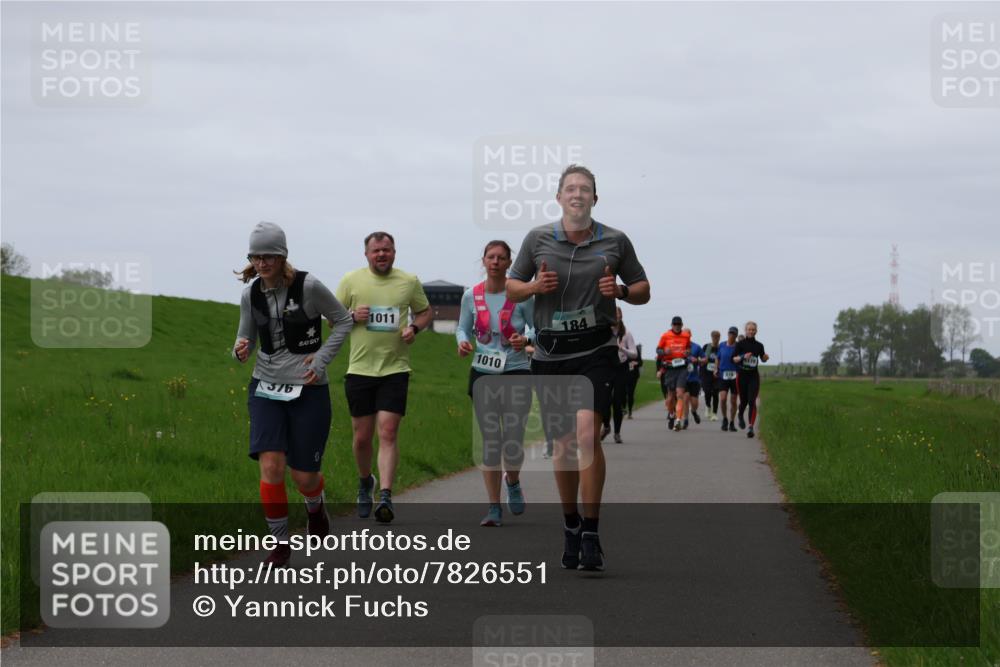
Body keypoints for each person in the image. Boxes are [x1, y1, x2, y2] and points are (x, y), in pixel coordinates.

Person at [507, 164, 650, 572]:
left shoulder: (615, 240)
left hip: (596, 351)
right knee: (565, 445)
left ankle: (591, 531)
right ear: (559, 197)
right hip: (551, 354)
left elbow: (643, 290)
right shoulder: (537, 239)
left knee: (587, 436)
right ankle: (570, 524)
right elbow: (512, 288)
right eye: (570, 188)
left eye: (584, 189)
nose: (577, 194)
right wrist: (534, 287)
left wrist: (620, 290)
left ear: (594, 198)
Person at [233, 222, 353, 567]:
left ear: (282, 255)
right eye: (255, 256)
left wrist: (322, 358)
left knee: (304, 476)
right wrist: (240, 350)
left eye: (269, 256)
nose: (262, 263)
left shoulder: (308, 286)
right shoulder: (251, 293)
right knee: (271, 465)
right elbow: (245, 336)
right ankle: (280, 542)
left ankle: (315, 506)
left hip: (308, 389)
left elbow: (343, 321)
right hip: (265, 387)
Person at [335, 232, 433, 523]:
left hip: (395, 370)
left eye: (387, 250)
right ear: (366, 254)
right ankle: (366, 482)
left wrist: (414, 329)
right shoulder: (351, 280)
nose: (381, 254)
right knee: (362, 438)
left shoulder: (408, 281)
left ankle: (386, 496)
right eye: (376, 250)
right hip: (360, 370)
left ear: (394, 252)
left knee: (388, 432)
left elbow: (425, 312)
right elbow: (331, 319)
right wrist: (352, 316)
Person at [457, 240, 534, 527]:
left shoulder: (522, 295)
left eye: (501, 258)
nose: (496, 262)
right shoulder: (471, 295)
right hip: (483, 372)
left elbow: (538, 327)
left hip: (516, 371)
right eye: (491, 257)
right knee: (490, 441)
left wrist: (525, 339)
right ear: (484, 261)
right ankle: (493, 506)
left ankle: (512, 481)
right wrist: (462, 342)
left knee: (513, 440)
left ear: (509, 262)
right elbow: (463, 327)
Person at [601, 308, 637, 443]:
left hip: (621, 368)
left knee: (617, 402)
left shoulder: (626, 334)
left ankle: (617, 433)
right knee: (604, 401)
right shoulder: (603, 332)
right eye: (613, 316)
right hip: (606, 368)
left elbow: (634, 354)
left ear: (621, 317)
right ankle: (606, 426)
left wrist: (621, 348)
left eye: (617, 316)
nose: (615, 318)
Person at [732, 321, 770, 438]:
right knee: (744, 401)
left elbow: (762, 358)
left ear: (756, 331)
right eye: (749, 329)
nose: (751, 331)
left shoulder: (759, 345)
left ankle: (750, 427)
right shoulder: (740, 344)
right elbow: (734, 359)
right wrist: (743, 356)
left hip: (753, 376)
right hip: (742, 376)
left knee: (752, 401)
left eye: (753, 329)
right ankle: (740, 415)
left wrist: (765, 358)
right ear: (746, 330)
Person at [655, 316, 691, 432]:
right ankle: (671, 414)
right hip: (670, 368)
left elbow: (688, 348)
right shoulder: (665, 336)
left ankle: (678, 421)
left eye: (678, 324)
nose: (677, 326)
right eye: (675, 324)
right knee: (670, 398)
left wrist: (687, 352)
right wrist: (664, 351)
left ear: (681, 325)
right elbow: (658, 350)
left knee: (680, 394)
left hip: (682, 367)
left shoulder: (686, 336)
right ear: (671, 325)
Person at [715, 326, 740, 432]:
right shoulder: (722, 345)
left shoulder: (739, 346)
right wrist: (716, 369)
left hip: (735, 376)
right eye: (730, 333)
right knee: (723, 399)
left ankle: (732, 422)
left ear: (736, 335)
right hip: (723, 375)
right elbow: (717, 358)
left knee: (733, 401)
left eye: (734, 334)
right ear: (728, 334)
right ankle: (725, 418)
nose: (731, 335)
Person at [683, 329, 704, 428]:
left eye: (687, 334)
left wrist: (698, 360)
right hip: (683, 378)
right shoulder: (679, 347)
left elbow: (705, 359)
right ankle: (685, 420)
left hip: (694, 378)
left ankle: (694, 412)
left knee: (694, 402)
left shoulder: (696, 347)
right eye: (684, 334)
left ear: (690, 335)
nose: (685, 336)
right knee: (685, 398)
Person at [700, 330, 721, 421]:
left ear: (719, 338)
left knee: (715, 393)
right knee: (707, 391)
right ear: (711, 337)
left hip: (717, 373)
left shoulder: (720, 348)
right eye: (714, 337)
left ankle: (714, 413)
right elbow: (703, 358)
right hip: (706, 373)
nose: (715, 339)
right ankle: (708, 406)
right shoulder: (707, 347)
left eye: (717, 337)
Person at [625, 343, 642, 419]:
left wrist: (636, 363)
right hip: (622, 374)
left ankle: (630, 412)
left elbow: (640, 362)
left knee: (630, 393)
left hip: (633, 375)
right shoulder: (620, 348)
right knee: (622, 392)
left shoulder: (635, 349)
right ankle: (623, 409)